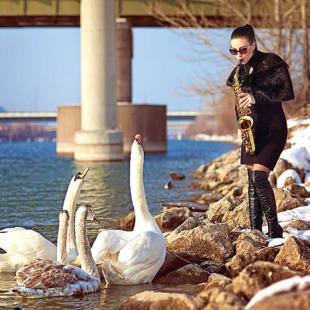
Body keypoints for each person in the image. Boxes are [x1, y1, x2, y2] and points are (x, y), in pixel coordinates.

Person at [226, 24, 294, 238]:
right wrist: (240, 125)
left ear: (254, 44)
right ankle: (255, 231)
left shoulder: (272, 63)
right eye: (234, 51)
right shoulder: (238, 73)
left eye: (243, 49)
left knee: (260, 178)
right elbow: (238, 103)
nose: (239, 55)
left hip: (273, 129)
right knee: (251, 181)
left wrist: (256, 94)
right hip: (251, 131)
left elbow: (286, 92)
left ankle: (275, 230)